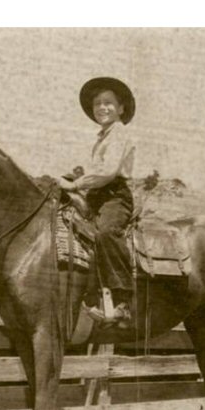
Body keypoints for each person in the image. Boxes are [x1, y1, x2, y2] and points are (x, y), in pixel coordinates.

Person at [56, 77, 136, 327]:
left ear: (121, 108)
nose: (102, 108)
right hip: (97, 195)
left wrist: (76, 184)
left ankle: (122, 301)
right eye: (97, 104)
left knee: (106, 233)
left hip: (115, 196)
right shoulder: (101, 137)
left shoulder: (120, 133)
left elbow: (108, 172)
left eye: (109, 103)